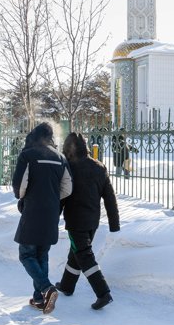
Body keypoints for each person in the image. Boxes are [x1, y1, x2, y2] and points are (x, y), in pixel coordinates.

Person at [12, 122, 72, 314]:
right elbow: (67, 188)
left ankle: (46, 288)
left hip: (32, 210)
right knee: (42, 253)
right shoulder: (60, 158)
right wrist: (53, 199)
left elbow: (20, 186)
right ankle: (40, 298)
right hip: (52, 211)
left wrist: (23, 197)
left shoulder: (28, 155)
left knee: (26, 253)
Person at [56, 132, 119, 310]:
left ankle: (103, 293)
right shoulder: (99, 167)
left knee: (84, 255)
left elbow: (63, 196)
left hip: (76, 222)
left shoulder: (69, 168)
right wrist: (114, 223)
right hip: (93, 221)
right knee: (76, 253)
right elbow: (109, 197)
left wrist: (54, 217)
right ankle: (67, 286)